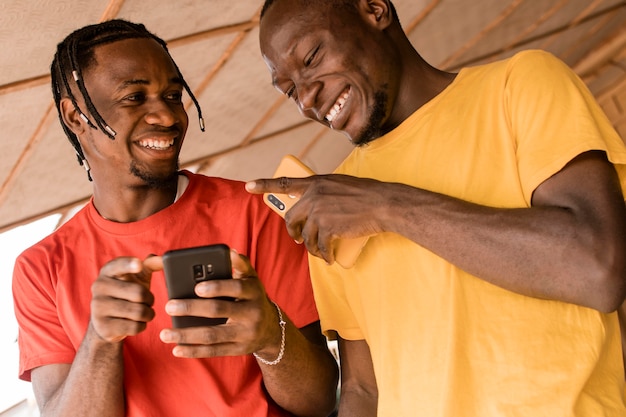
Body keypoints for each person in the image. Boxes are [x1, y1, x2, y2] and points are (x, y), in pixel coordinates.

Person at [247, 1, 626, 415]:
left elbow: (599, 269)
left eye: (311, 57)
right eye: (289, 90)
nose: (305, 99)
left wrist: (388, 206)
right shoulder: (331, 202)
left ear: (374, 10)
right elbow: (364, 390)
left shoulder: (519, 84)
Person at [12, 19, 338, 417]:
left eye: (172, 95)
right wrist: (99, 340)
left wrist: (270, 335)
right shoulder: (41, 268)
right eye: (134, 97)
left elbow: (319, 401)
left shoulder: (256, 210)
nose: (167, 116)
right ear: (75, 116)